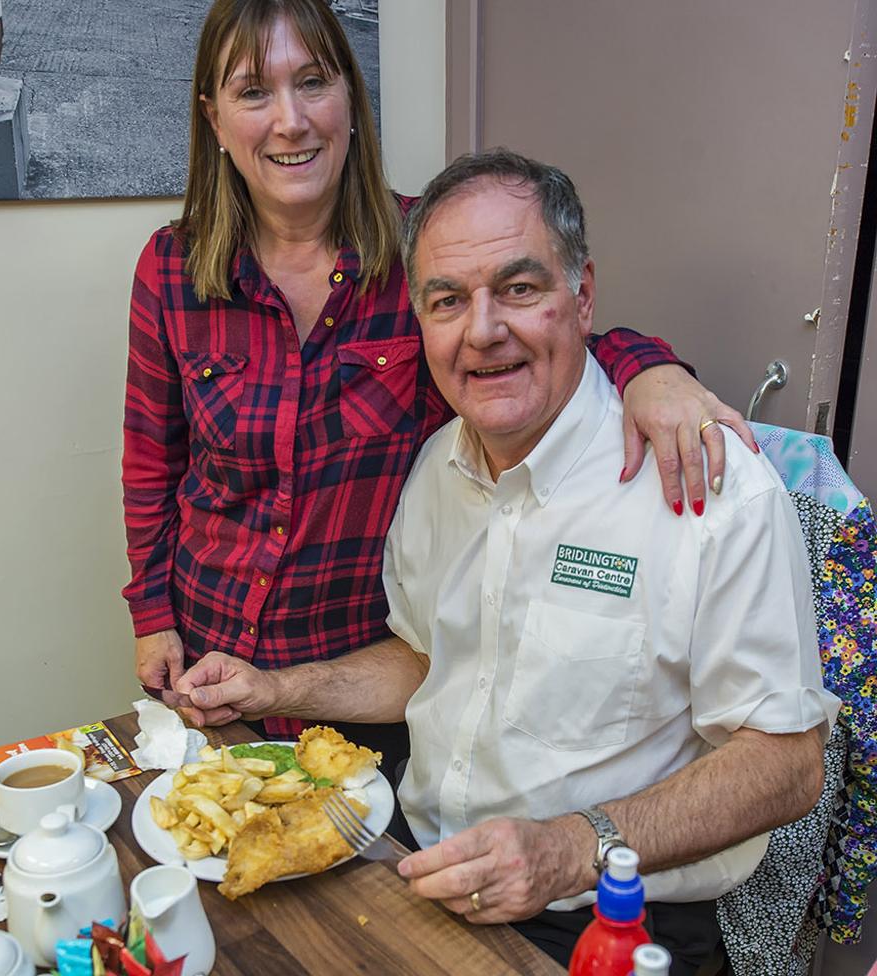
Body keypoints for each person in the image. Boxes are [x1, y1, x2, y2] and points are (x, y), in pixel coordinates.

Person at [175, 149, 842, 976]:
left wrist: (570, 849)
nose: (482, 330)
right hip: (415, 869)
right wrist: (280, 688)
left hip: (604, 916)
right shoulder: (435, 472)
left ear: (583, 295)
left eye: (519, 290)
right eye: (447, 301)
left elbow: (787, 764)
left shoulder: (712, 488)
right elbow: (425, 658)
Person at [122, 0, 753, 775]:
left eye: (313, 82)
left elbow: (539, 334)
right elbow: (151, 466)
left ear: (352, 100)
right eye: (253, 92)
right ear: (214, 119)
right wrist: (154, 620)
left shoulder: (426, 253)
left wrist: (650, 368)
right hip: (213, 666)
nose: (289, 121)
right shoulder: (172, 270)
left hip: (371, 678)